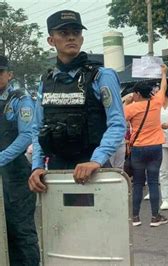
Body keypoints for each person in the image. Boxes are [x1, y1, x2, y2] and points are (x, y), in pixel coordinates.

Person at [28, 10, 126, 191]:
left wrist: (96, 160)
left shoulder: (102, 76)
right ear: (51, 40)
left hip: (93, 169)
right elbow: (37, 127)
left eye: (76, 33)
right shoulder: (46, 81)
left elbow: (117, 123)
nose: (71, 38)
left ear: (82, 39)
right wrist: (37, 166)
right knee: (58, 220)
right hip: (56, 173)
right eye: (64, 33)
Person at [0, 55, 40, 265]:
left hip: (16, 177)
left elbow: (26, 136)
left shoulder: (19, 99)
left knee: (21, 231)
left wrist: (1, 159)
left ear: (9, 74)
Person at [123, 70, 168, 227]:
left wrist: (127, 101)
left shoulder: (131, 108)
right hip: (155, 147)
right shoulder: (156, 103)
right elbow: (163, 87)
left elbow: (118, 117)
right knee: (154, 182)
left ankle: (135, 217)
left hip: (138, 148)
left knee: (138, 184)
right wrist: (163, 74)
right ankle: (155, 217)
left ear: (136, 93)